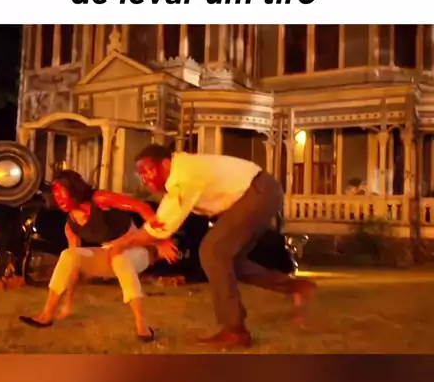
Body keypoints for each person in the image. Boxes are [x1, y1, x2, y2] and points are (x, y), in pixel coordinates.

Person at [100, 144, 316, 349]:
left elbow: (161, 227)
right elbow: (161, 221)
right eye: (141, 174)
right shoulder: (180, 174)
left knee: (213, 251)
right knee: (230, 262)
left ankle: (234, 330)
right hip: (256, 193)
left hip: (258, 193)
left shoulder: (184, 177)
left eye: (148, 170)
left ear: (165, 164)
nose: (145, 178)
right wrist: (132, 240)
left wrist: (123, 243)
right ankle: (296, 287)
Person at [19, 169, 176, 342]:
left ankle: (141, 322)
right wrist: (68, 304)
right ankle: (47, 314)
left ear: (74, 190)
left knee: (119, 257)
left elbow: (142, 207)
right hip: (108, 254)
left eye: (62, 193)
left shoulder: (100, 199)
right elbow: (72, 269)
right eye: (56, 195)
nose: (59, 199)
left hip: (138, 250)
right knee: (69, 255)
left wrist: (161, 239)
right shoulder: (71, 225)